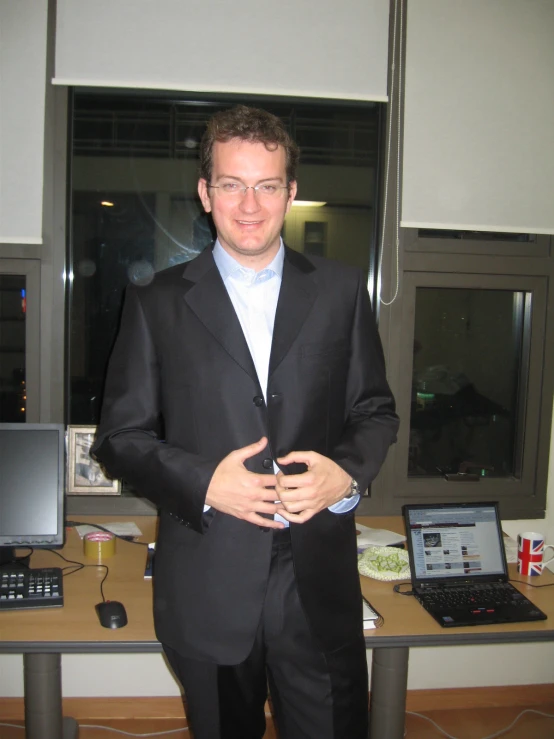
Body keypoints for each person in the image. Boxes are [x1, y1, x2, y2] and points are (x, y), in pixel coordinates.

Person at [93, 104, 399, 739]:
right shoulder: (157, 303)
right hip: (207, 579)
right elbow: (119, 440)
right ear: (206, 193)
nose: (250, 205)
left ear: (291, 192)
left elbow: (374, 410)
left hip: (315, 580)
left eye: (266, 185)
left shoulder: (341, 293)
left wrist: (344, 477)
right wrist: (205, 482)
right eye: (232, 184)